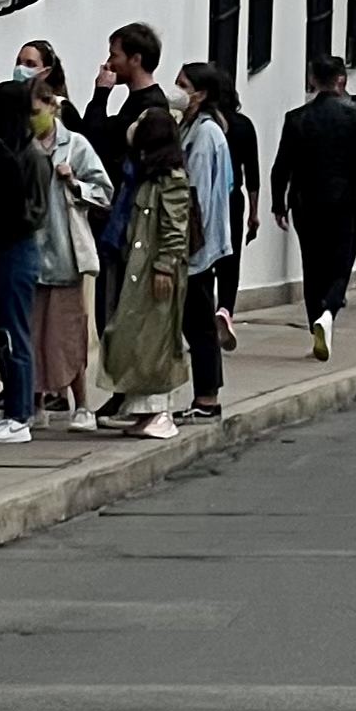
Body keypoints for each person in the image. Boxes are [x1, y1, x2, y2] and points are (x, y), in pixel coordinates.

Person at [271, 53, 356, 360]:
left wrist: (277, 204)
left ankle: (316, 324)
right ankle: (329, 312)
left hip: (305, 201)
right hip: (346, 200)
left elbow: (281, 166)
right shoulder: (355, 113)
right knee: (342, 261)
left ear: (312, 81)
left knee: (312, 264)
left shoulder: (296, 118)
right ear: (342, 80)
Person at [99, 103, 191, 437]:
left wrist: (164, 266)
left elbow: (174, 227)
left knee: (154, 339)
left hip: (155, 270)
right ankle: (140, 409)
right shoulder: (140, 174)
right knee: (136, 338)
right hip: (138, 267)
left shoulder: (171, 180)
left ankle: (158, 410)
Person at [0, 78, 52, 444]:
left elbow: (35, 212)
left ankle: (20, 414)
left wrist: (4, 214)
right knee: (2, 334)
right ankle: (13, 408)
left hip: (17, 248)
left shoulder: (31, 155)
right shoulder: (4, 150)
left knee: (14, 333)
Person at [30, 86, 110, 430]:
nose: (33, 119)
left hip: (65, 254)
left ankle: (82, 405)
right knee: (32, 334)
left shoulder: (76, 145)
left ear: (52, 107)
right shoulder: (22, 144)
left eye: (37, 111)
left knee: (68, 333)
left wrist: (74, 182)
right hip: (31, 254)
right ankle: (35, 404)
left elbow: (104, 190)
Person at [173, 64, 236, 425]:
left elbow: (195, 195)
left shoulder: (205, 135)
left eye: (183, 85)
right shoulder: (191, 129)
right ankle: (205, 394)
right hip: (196, 243)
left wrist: (187, 243)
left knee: (198, 324)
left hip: (196, 245)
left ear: (201, 94)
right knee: (196, 323)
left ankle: (207, 397)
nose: (177, 90)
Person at [205, 71, 259, 350]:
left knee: (204, 262)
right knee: (230, 259)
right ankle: (225, 309)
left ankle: (204, 316)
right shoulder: (244, 126)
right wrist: (254, 212)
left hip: (204, 199)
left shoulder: (204, 126)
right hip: (232, 199)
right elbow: (253, 173)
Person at [83, 23, 168, 188]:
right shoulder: (139, 100)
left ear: (135, 59)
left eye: (114, 55)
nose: (109, 63)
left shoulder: (150, 107)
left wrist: (101, 94)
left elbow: (98, 143)